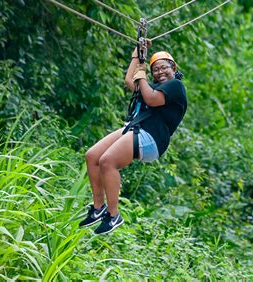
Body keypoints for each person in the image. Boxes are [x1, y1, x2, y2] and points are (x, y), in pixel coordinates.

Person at [79, 42, 187, 235]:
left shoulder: (175, 87)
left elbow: (152, 99)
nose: (160, 72)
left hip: (152, 137)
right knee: (92, 156)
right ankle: (98, 208)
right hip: (136, 129)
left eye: (164, 67)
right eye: (155, 70)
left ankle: (113, 215)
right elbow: (130, 82)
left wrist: (143, 72)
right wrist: (137, 55)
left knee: (107, 161)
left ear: (174, 68)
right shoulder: (153, 87)